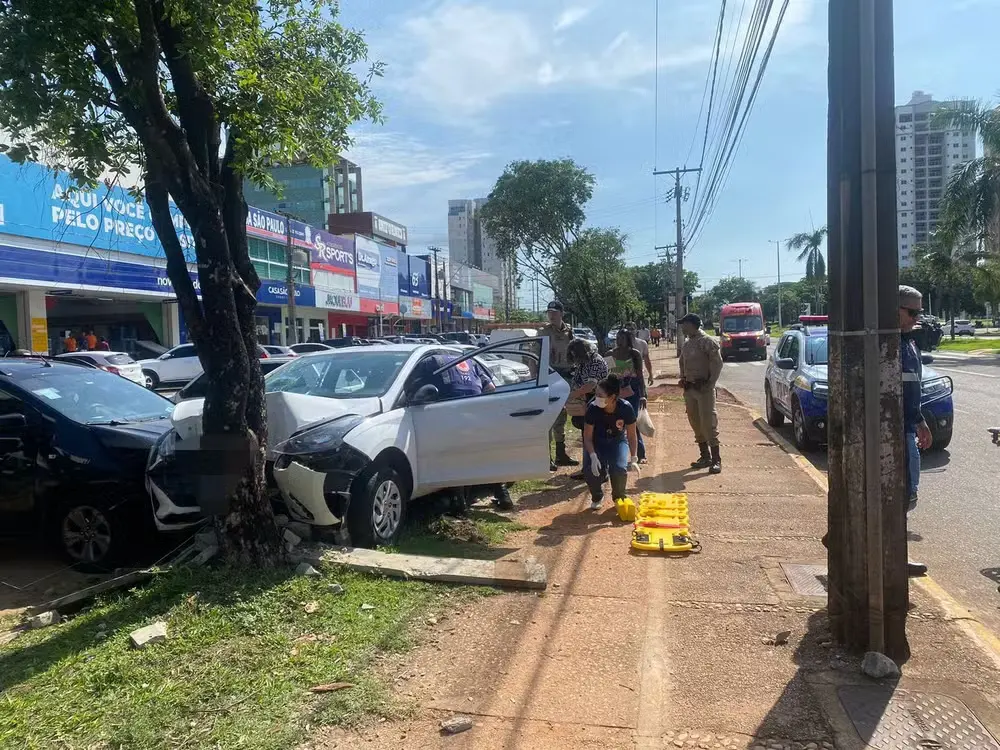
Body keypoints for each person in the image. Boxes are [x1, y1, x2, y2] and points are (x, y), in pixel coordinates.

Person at [412, 352, 514, 509]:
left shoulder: (430, 361)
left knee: (456, 458)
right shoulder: (469, 359)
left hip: (451, 411)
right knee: (485, 454)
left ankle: (460, 505)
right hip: (476, 410)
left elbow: (413, 390)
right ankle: (503, 495)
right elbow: (491, 387)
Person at [899, 285, 933, 577]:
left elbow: (912, 389)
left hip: (907, 426)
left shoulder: (908, 342)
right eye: (911, 312)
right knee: (904, 493)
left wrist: (919, 420)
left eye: (918, 312)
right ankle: (895, 556)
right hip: (894, 430)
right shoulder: (886, 344)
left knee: (906, 493)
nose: (915, 318)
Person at [583, 374, 639, 510]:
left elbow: (632, 435)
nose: (596, 398)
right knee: (591, 469)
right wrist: (592, 455)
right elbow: (588, 437)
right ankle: (597, 496)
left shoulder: (626, 408)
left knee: (619, 469)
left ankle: (619, 497)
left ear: (613, 397)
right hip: (597, 442)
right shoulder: (593, 408)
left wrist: (634, 458)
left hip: (617, 441)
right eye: (596, 394)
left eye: (600, 395)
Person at [678, 313, 724, 474]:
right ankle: (704, 456)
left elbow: (717, 364)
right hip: (690, 389)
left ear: (692, 324)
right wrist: (682, 378)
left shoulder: (707, 341)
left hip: (704, 389)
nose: (682, 327)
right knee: (695, 422)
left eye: (684, 324)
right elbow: (682, 363)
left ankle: (716, 459)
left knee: (708, 423)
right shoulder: (687, 343)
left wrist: (710, 384)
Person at [540, 300, 578, 470]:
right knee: (549, 417)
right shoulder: (544, 332)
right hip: (550, 376)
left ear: (561, 313)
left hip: (566, 376)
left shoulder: (570, 331)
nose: (551, 315)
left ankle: (561, 454)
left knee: (562, 416)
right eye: (549, 312)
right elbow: (536, 357)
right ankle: (546, 457)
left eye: (554, 312)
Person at [566, 338, 610, 479]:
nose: (575, 358)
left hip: (597, 404)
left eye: (576, 355)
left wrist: (572, 395)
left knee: (595, 439)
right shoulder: (585, 362)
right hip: (586, 403)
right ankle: (588, 469)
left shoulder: (595, 362)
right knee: (587, 438)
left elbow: (590, 385)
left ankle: (600, 471)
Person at [609, 329, 648, 463]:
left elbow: (640, 376)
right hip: (616, 393)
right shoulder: (610, 354)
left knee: (632, 422)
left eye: (622, 338)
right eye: (617, 338)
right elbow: (607, 377)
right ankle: (617, 452)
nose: (619, 341)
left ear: (628, 340)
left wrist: (643, 395)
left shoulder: (634, 354)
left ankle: (640, 454)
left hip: (633, 392)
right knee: (616, 422)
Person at [627, 322, 655, 388]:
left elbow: (647, 360)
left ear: (636, 330)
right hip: (623, 377)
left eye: (632, 329)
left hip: (638, 376)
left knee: (641, 396)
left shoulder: (642, 343)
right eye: (628, 329)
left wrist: (650, 374)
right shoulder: (619, 344)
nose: (630, 331)